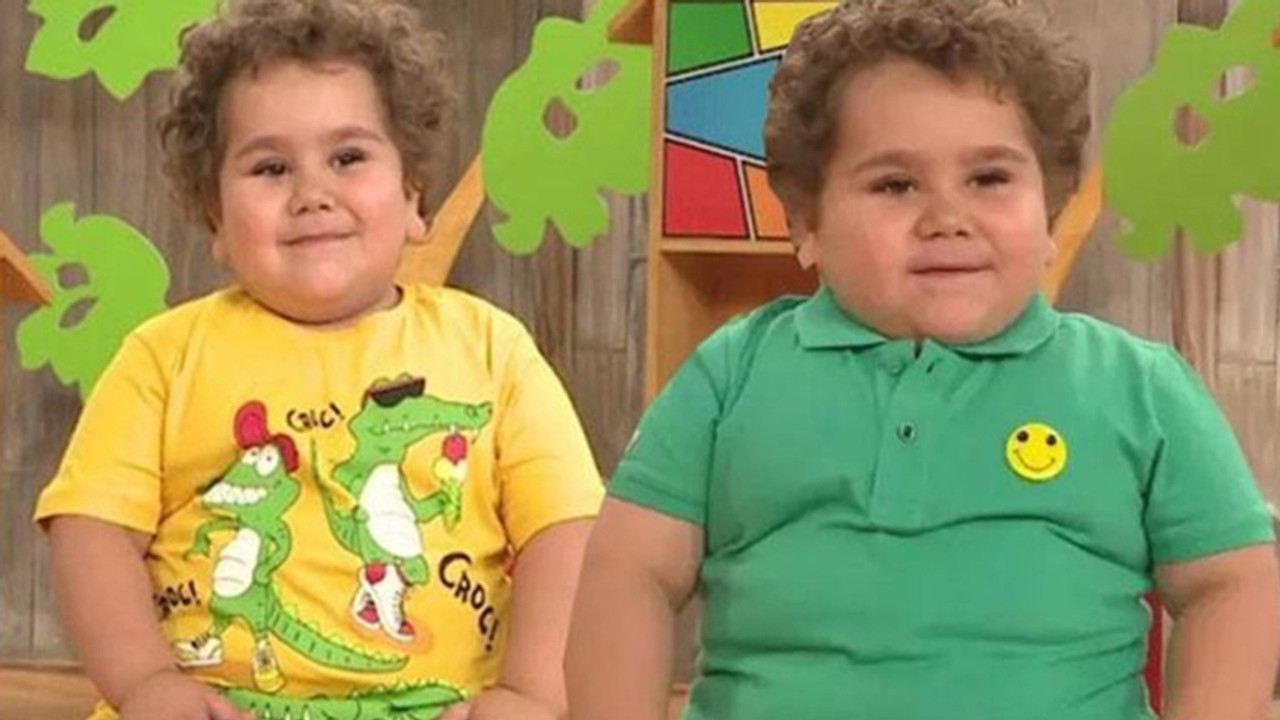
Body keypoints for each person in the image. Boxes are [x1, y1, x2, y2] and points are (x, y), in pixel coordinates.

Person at [566, 1, 1280, 718]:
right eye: (895, 185)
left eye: (989, 178)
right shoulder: (731, 376)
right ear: (807, 221)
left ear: (1051, 211)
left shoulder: (1137, 389)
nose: (947, 218)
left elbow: (1231, 583)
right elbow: (631, 571)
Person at [36, 1, 602, 718]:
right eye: (271, 167)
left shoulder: (494, 350)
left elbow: (566, 531)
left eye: (348, 158)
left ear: (413, 195)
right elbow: (90, 529)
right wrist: (145, 682)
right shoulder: (163, 357)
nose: (313, 194)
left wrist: (531, 693)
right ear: (214, 218)